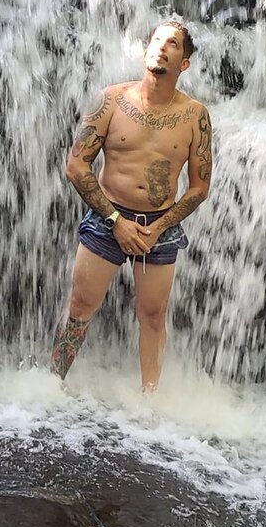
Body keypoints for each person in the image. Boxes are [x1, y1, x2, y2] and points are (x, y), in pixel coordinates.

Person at [50, 20, 212, 390]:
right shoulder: (111, 100)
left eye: (172, 44)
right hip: (107, 218)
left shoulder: (195, 116)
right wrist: (115, 220)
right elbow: (76, 166)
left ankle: (149, 401)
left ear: (184, 63)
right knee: (79, 308)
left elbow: (200, 187)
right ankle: (53, 384)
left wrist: (157, 228)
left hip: (160, 228)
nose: (162, 47)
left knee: (153, 317)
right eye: (157, 40)